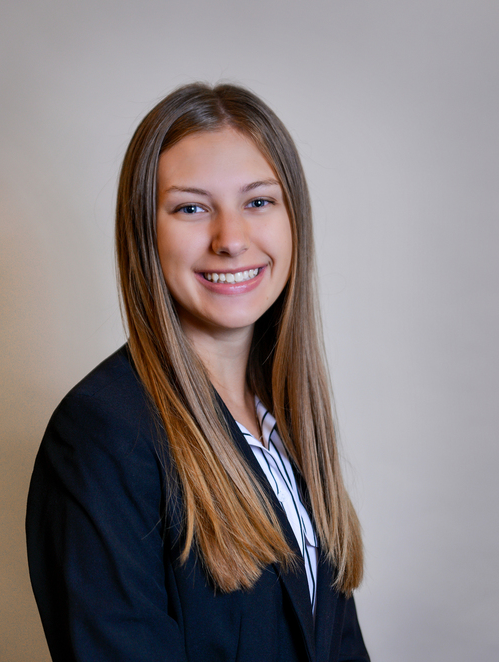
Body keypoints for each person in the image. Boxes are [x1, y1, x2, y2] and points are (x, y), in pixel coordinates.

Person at [26, 82, 370, 662]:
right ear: (145, 233)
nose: (231, 240)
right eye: (191, 207)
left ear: (294, 220)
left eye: (258, 201)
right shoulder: (100, 436)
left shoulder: (287, 418)